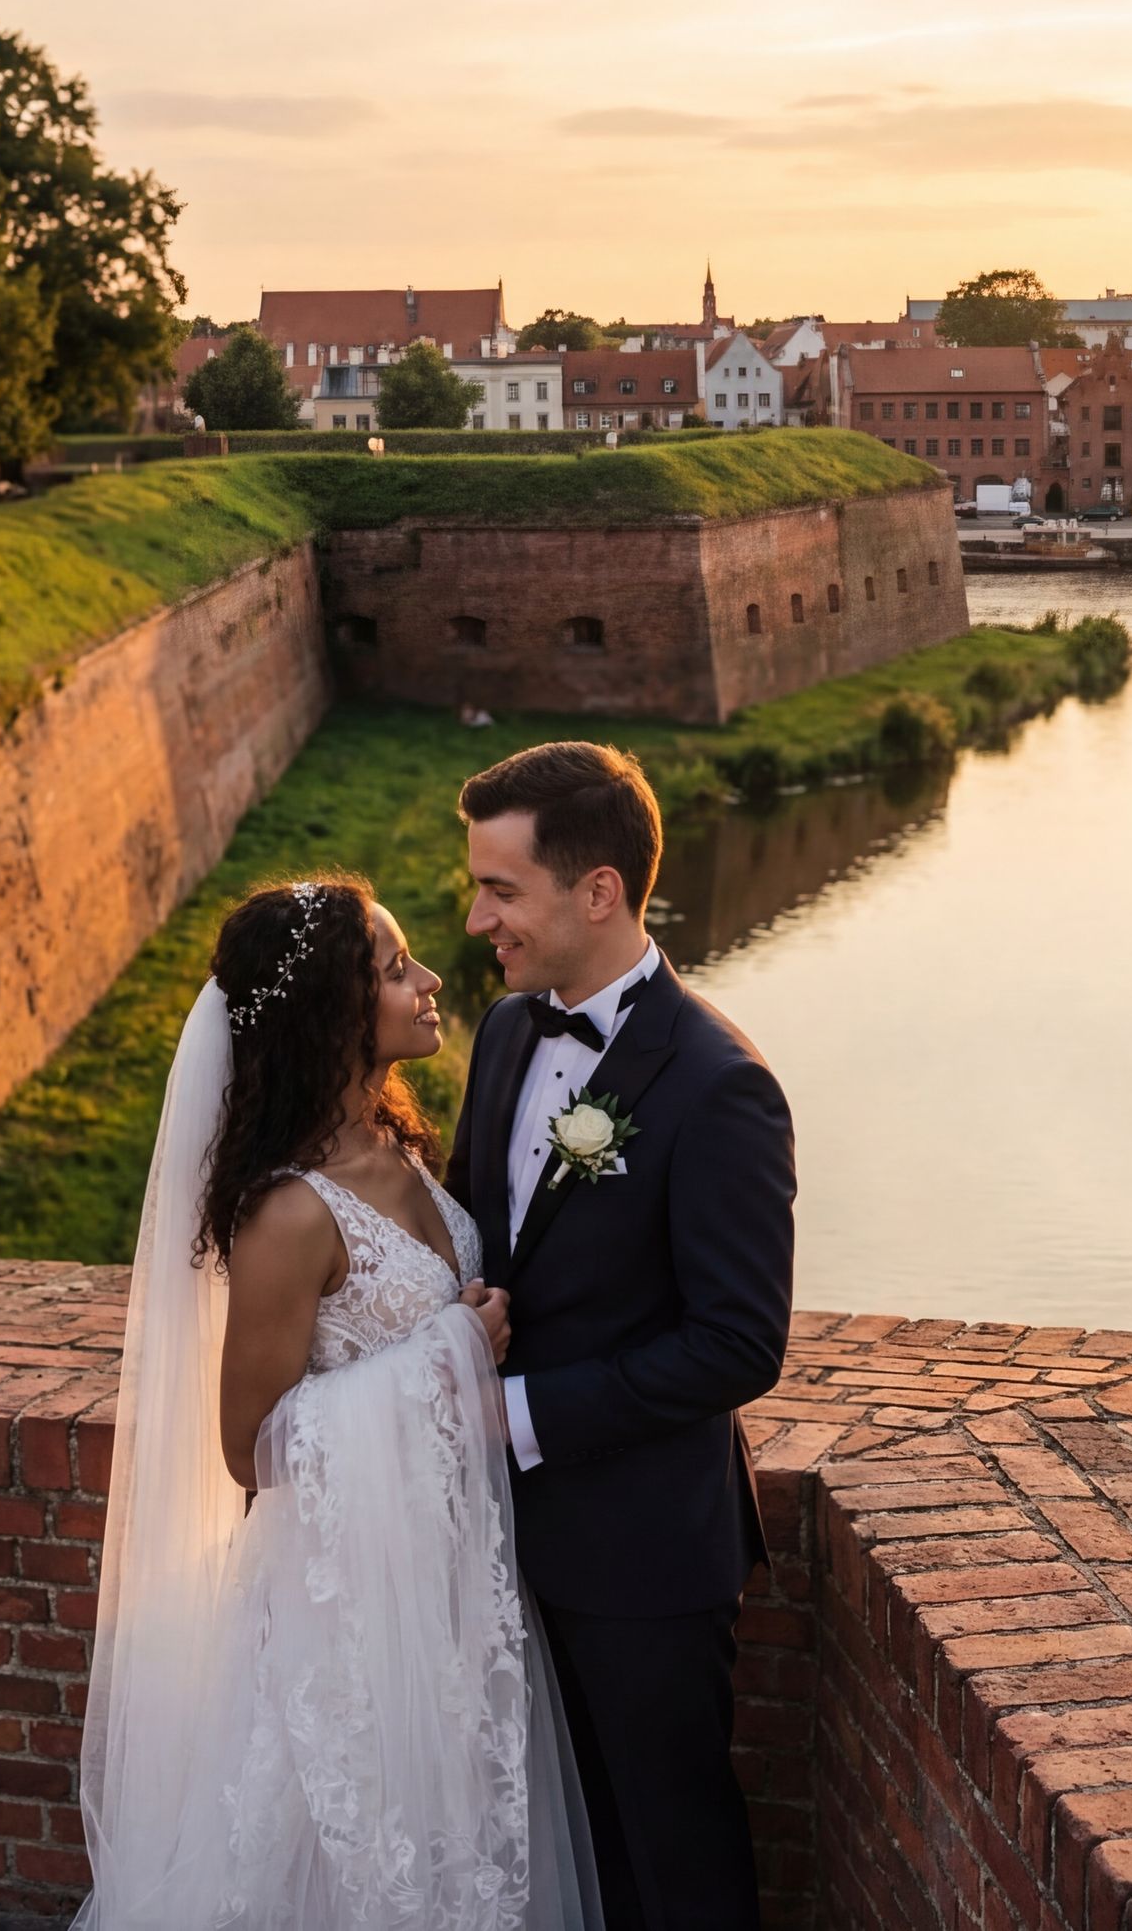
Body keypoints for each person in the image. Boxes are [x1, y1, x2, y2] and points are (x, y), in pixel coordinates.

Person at [76, 875, 603, 1930]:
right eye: (393, 968)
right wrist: (453, 1347)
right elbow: (250, 1447)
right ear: (330, 1009)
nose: (424, 981)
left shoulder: (394, 1142)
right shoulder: (288, 1212)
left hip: (455, 1568)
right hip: (351, 1604)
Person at [447, 742, 794, 1931]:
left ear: (598, 891)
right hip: (498, 1542)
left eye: (502, 889)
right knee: (558, 1841)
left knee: (669, 1857)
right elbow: (482, 1243)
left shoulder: (718, 1085)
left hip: (644, 1555)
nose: (479, 914)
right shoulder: (502, 1034)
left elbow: (740, 1343)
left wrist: (524, 1415)